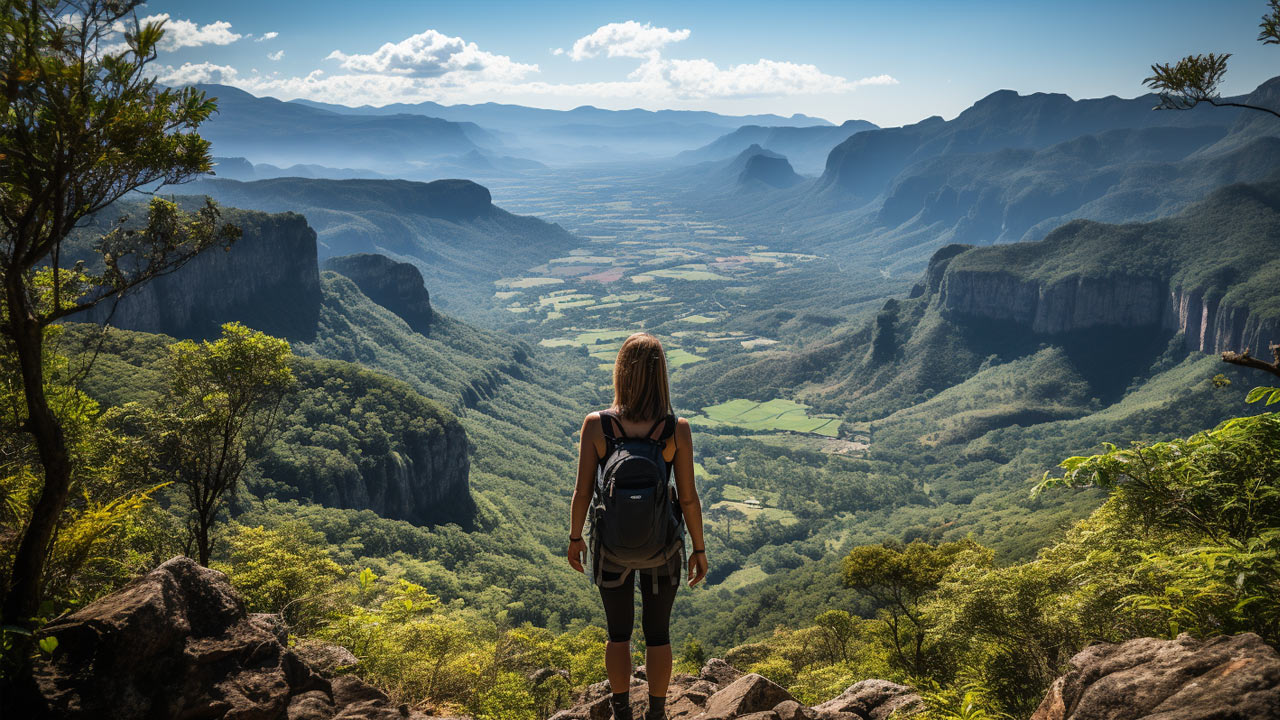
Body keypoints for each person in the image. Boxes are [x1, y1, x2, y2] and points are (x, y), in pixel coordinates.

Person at [568, 332, 708, 720]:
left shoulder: (598, 426)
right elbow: (688, 498)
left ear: (621, 373)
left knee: (618, 634)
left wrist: (576, 538)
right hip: (663, 548)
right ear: (661, 374)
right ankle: (658, 714)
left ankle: (622, 711)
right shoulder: (674, 429)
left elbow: (582, 492)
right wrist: (698, 548)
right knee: (658, 634)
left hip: (611, 549)